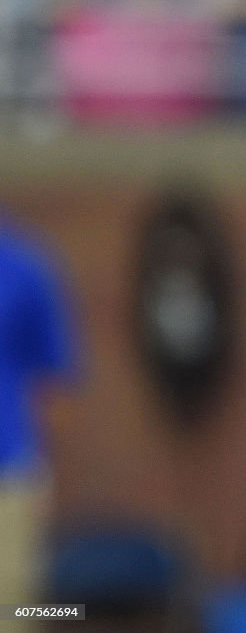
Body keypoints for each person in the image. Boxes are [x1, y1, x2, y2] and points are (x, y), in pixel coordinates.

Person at [0, 213, 77, 611]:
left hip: (9, 471)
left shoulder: (24, 265)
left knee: (12, 607)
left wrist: (41, 468)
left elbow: (54, 380)